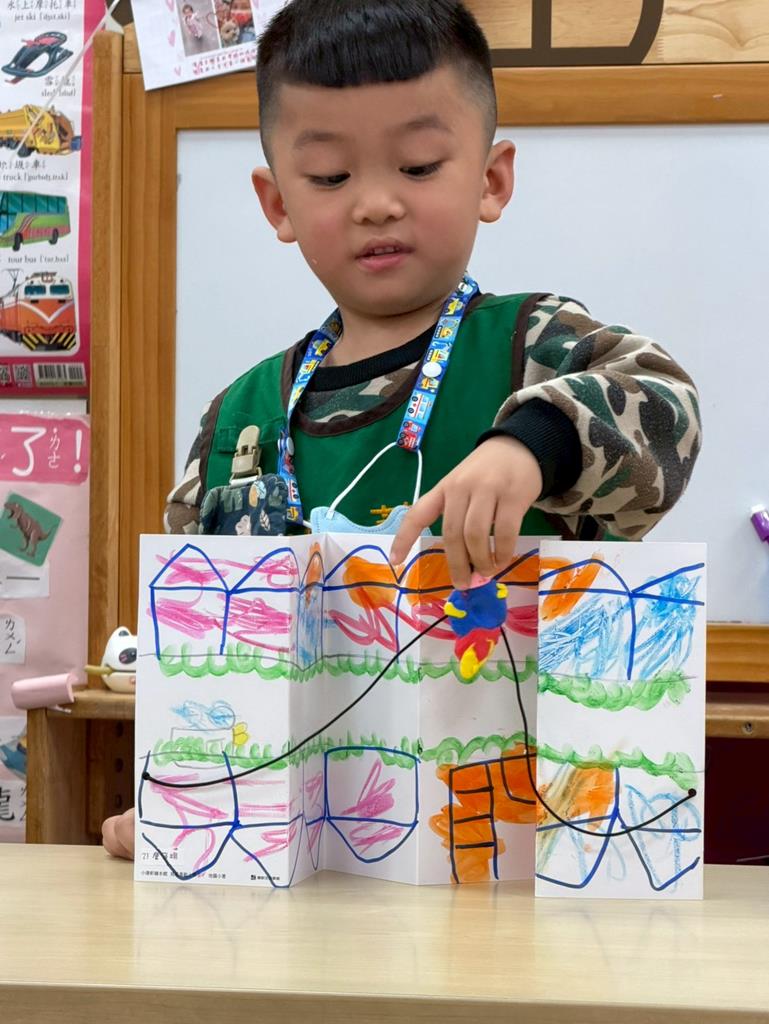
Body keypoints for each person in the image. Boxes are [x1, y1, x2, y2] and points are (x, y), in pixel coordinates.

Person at [103, 0, 701, 860]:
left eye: (418, 167)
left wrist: (530, 446)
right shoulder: (242, 415)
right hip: (298, 858)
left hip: (517, 854)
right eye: (329, 177)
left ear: (490, 180)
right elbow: (196, 649)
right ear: (276, 203)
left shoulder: (532, 347)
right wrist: (177, 795)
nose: (376, 204)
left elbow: (665, 407)